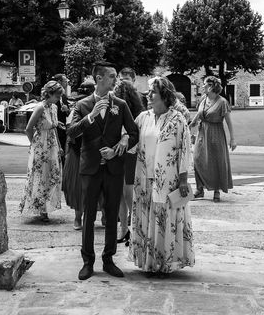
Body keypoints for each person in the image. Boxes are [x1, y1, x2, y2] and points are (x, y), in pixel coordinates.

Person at [67, 62, 139, 281]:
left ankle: (109, 260)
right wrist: (90, 117)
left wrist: (121, 145)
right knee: (89, 216)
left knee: (111, 215)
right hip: (90, 168)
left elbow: (134, 133)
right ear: (98, 78)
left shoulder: (121, 104)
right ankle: (88, 262)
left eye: (115, 76)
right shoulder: (82, 105)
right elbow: (71, 132)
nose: (115, 80)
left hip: (114, 167)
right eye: (111, 76)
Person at [129, 76, 194, 276]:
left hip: (168, 179)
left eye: (153, 92)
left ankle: (166, 261)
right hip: (143, 177)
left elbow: (185, 150)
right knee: (146, 217)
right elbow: (131, 141)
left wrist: (183, 179)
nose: (148, 95)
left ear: (164, 95)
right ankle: (148, 262)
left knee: (165, 218)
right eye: (149, 92)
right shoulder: (143, 117)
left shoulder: (177, 119)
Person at [19, 80, 64, 222]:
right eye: (57, 96)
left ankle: (46, 206)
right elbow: (28, 128)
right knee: (41, 175)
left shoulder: (54, 107)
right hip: (41, 145)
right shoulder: (40, 107)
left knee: (53, 175)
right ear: (49, 94)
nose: (58, 99)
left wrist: (59, 145)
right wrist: (34, 145)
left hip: (52, 144)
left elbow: (53, 127)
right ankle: (42, 209)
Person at [189, 76, 237, 202]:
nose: (203, 86)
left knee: (216, 162)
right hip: (202, 133)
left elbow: (228, 122)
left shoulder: (222, 102)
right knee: (197, 160)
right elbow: (199, 114)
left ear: (210, 87)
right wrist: (191, 125)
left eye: (204, 84)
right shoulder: (204, 99)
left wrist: (232, 139)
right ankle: (200, 189)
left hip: (216, 133)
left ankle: (217, 190)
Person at [113, 78, 144, 247]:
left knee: (128, 192)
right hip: (119, 153)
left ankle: (133, 227)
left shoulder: (138, 114)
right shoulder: (124, 109)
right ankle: (124, 228)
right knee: (120, 193)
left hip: (130, 154)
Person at [62, 79, 96, 230]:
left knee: (89, 186)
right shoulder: (79, 106)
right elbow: (72, 131)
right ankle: (78, 218)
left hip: (91, 149)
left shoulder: (97, 104)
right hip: (79, 150)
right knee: (79, 186)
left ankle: (80, 218)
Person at [52, 73, 70, 164]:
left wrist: (67, 110)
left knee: (62, 150)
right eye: (65, 81)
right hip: (52, 126)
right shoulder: (51, 96)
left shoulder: (64, 96)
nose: (66, 83)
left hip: (62, 127)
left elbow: (68, 113)